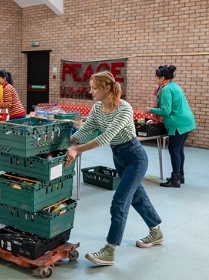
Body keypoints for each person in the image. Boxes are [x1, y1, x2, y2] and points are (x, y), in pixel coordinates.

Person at [65, 71, 163, 266]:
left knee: (120, 202)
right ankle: (156, 230)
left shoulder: (124, 109)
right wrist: (70, 140)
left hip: (135, 157)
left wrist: (77, 149)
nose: (91, 91)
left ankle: (109, 250)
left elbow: (104, 138)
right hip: (119, 156)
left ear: (107, 88)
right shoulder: (97, 109)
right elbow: (87, 129)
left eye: (94, 88)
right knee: (136, 196)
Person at [144, 65, 196, 188]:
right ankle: (180, 175)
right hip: (186, 121)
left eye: (156, 76)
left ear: (162, 78)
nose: (155, 78)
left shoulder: (166, 89)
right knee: (179, 150)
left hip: (177, 123)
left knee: (173, 150)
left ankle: (175, 180)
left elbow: (166, 111)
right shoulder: (174, 86)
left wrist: (150, 110)